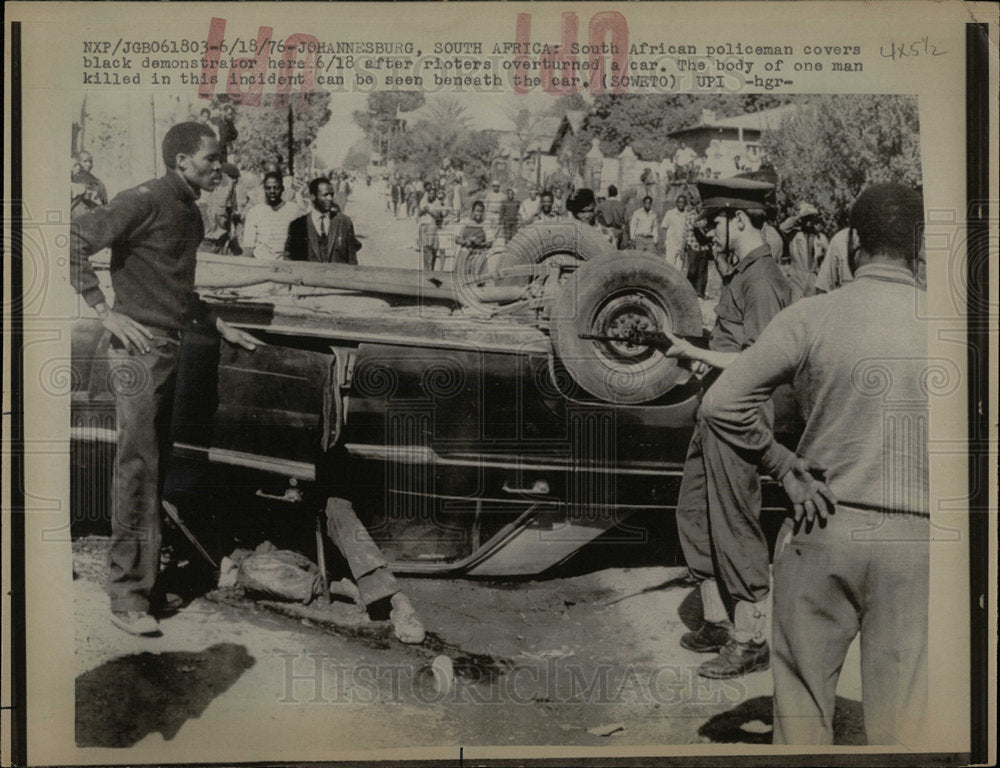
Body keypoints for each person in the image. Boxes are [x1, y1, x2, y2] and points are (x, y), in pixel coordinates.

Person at [698, 182, 929, 744]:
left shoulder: (813, 316)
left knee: (800, 715)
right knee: (902, 729)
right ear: (920, 243)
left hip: (819, 521)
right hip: (915, 542)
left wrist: (781, 463)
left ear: (851, 247)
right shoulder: (957, 327)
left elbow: (720, 403)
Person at [70, 121, 262, 636]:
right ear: (181, 160)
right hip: (138, 352)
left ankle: (144, 584)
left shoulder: (190, 211)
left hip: (169, 348)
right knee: (137, 468)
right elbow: (69, 238)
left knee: (154, 466)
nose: (218, 167)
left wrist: (218, 323)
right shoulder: (144, 200)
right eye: (211, 159)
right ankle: (126, 598)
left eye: (219, 159)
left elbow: (176, 286)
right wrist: (103, 310)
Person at [661, 178, 792, 678]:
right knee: (695, 513)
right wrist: (702, 362)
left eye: (714, 222)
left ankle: (751, 638)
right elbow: (732, 347)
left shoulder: (762, 281)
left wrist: (692, 352)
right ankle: (717, 621)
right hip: (715, 410)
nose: (709, 232)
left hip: (741, 418)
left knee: (736, 523)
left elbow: (762, 360)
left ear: (739, 219)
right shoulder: (740, 274)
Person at [286, 177, 359, 264]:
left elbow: (352, 260)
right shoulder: (298, 225)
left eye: (331, 195)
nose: (330, 198)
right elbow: (290, 261)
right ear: (313, 197)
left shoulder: (344, 222)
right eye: (325, 195)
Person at [242, 171, 300, 260]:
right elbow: (248, 246)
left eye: (276, 188)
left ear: (282, 188)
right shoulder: (255, 212)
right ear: (263, 189)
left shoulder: (294, 210)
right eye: (268, 188)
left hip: (287, 263)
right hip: (261, 262)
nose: (272, 191)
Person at [780, 202, 829, 295]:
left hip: (814, 278)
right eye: (806, 218)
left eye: (811, 218)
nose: (808, 222)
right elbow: (783, 227)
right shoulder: (794, 235)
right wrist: (798, 216)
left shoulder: (820, 237)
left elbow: (828, 258)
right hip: (796, 278)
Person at [71, 150, 109, 219]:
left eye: (91, 162)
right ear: (78, 162)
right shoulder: (71, 182)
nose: (88, 164)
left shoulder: (99, 184)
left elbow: (105, 205)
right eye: (85, 161)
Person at [659, 193, 691, 270]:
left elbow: (687, 232)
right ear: (676, 203)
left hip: (681, 246)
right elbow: (664, 228)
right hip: (671, 245)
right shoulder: (670, 213)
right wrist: (664, 242)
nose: (681, 204)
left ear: (685, 203)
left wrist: (683, 247)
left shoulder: (687, 215)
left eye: (683, 202)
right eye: (679, 202)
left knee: (679, 269)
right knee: (669, 268)